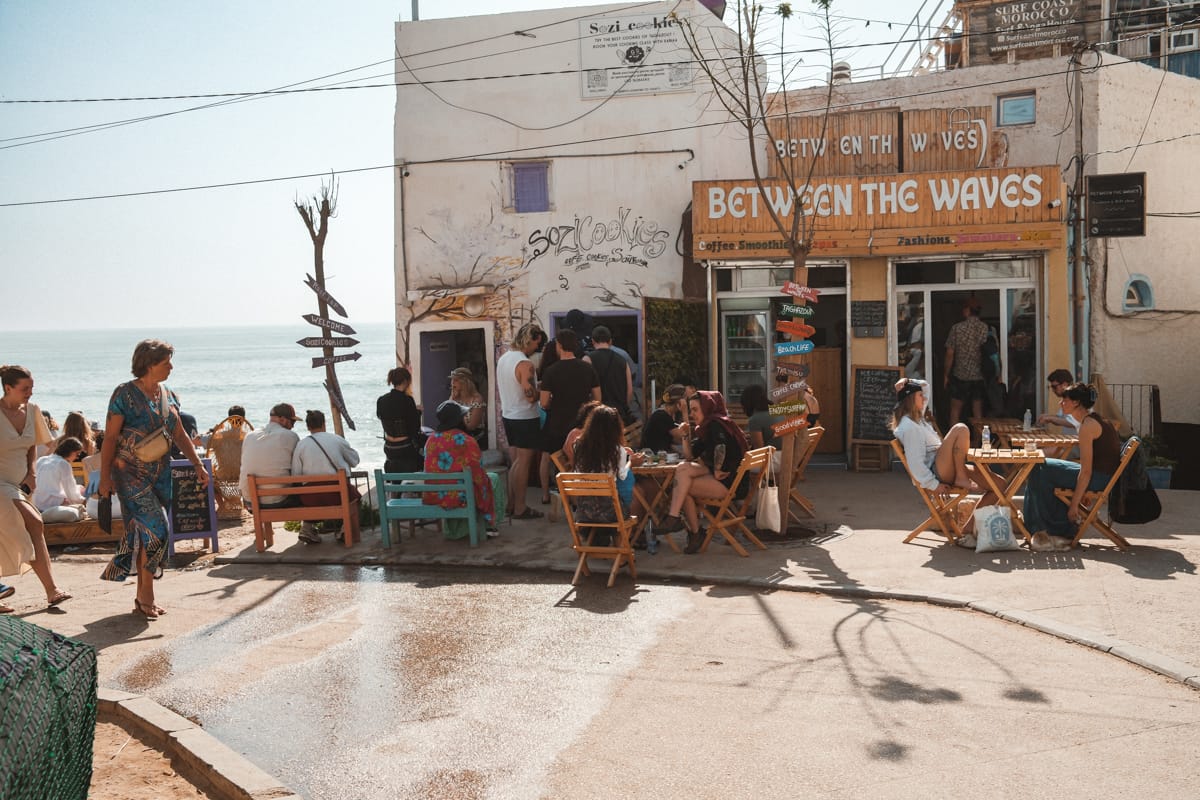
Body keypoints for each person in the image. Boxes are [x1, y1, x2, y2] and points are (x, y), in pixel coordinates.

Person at [98, 340, 208, 620]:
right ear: (149, 364)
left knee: (148, 535)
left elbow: (180, 434)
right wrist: (105, 477)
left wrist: (198, 465)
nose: (171, 366)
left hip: (161, 472)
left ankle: (141, 595)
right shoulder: (124, 394)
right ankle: (147, 596)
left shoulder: (169, 394)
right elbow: (110, 438)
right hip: (129, 474)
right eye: (166, 362)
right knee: (158, 531)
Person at [0, 365, 72, 613]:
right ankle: (52, 590)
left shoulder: (32, 411)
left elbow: (31, 446)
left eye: (32, 388)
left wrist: (32, 472)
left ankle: (52, 592)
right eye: (25, 388)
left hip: (21, 484)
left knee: (14, 534)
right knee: (33, 522)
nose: (30, 392)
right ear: (8, 388)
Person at [1022, 383, 1122, 551]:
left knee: (1040, 468)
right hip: (1103, 476)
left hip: (1099, 479)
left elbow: (1086, 471)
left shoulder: (1087, 426)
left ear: (1076, 403)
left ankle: (1044, 529)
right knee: (1039, 465)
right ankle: (1048, 528)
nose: (1061, 404)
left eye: (1064, 400)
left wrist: (1075, 505)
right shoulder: (1097, 420)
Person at [891, 377, 994, 534]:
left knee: (998, 485)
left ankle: (968, 528)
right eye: (919, 396)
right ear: (911, 399)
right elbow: (915, 464)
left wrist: (907, 380)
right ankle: (960, 476)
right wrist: (934, 485)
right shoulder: (909, 426)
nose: (924, 398)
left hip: (947, 466)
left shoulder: (918, 419)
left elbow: (925, 386)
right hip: (938, 471)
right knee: (960, 428)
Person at [658, 391, 749, 554]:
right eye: (690, 410)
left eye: (695, 410)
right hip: (721, 476)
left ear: (707, 408)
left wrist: (718, 468)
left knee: (682, 488)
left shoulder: (716, 424)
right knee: (682, 470)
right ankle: (680, 522)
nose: (692, 414)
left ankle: (691, 530)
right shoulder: (707, 426)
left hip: (730, 481)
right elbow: (689, 456)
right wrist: (685, 435)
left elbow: (721, 445)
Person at [570, 405, 643, 545]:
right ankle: (620, 549)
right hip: (611, 513)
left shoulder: (578, 446)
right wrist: (631, 463)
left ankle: (601, 541)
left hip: (584, 512)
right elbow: (622, 476)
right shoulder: (617, 451)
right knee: (629, 493)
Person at [423, 400, 497, 537]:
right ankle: (488, 526)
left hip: (435, 495)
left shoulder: (431, 440)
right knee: (493, 479)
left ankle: (458, 530)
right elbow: (478, 474)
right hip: (461, 496)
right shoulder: (466, 440)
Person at [291, 409, 361, 545]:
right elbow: (355, 461)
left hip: (310, 498)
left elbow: (296, 474)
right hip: (337, 494)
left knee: (307, 495)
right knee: (355, 498)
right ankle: (345, 529)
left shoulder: (301, 445)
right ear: (324, 423)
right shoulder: (337, 440)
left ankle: (307, 528)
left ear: (308, 426)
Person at [497, 323, 545, 520]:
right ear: (530, 339)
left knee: (515, 462)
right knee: (523, 462)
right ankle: (520, 506)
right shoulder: (526, 364)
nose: (537, 348)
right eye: (537, 343)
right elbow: (530, 396)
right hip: (525, 417)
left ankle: (511, 504)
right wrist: (543, 391)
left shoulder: (504, 358)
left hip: (509, 414)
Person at [540, 330, 601, 469]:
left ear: (559, 345)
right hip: (582, 424)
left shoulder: (551, 371)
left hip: (558, 424)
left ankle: (553, 491)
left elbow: (544, 402)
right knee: (582, 462)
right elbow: (598, 399)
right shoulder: (588, 368)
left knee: (553, 462)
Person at [239, 402, 301, 508]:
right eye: (292, 421)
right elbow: (297, 469)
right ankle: (308, 524)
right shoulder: (291, 436)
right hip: (278, 500)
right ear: (282, 419)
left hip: (250, 501)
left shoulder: (250, 435)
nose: (293, 426)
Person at [943, 296, 989, 428]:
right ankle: (978, 443)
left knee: (955, 411)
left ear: (968, 310)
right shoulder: (985, 328)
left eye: (964, 308)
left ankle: (954, 443)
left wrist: (946, 374)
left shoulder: (957, 328)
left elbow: (950, 353)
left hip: (960, 375)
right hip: (979, 376)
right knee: (978, 414)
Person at [377, 367, 424, 473]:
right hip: (405, 447)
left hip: (389, 447)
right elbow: (414, 427)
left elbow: (381, 416)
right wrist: (418, 413)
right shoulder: (407, 400)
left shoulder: (381, 400)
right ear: (406, 381)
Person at [33, 436, 87, 523]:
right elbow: (71, 493)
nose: (77, 457)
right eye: (77, 454)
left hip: (36, 503)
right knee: (81, 490)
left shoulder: (41, 459)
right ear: (71, 451)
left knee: (79, 487)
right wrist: (85, 501)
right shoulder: (63, 464)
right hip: (51, 504)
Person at [588, 325, 634, 421]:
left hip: (597, 414)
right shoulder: (622, 360)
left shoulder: (587, 359)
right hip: (618, 413)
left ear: (593, 341)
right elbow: (629, 391)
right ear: (610, 341)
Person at [448, 367, 487, 449]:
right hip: (457, 438)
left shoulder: (477, 400)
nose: (452, 383)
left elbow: (471, 426)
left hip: (474, 440)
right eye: (452, 380)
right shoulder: (455, 398)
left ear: (465, 382)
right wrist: (452, 400)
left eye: (456, 380)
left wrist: (457, 408)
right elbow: (446, 419)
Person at [640, 384, 686, 454]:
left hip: (659, 453)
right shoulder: (662, 416)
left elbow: (677, 440)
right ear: (679, 402)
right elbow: (683, 436)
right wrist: (684, 412)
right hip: (652, 456)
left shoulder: (666, 414)